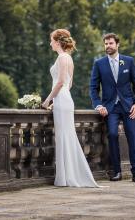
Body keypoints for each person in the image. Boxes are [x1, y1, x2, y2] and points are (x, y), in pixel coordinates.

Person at [42, 28, 100, 187]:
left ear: (57, 42)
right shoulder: (69, 58)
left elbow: (60, 82)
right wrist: (58, 99)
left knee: (63, 136)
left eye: (51, 41)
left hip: (62, 99)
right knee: (67, 135)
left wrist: (48, 100)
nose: (50, 43)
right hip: (66, 99)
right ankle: (69, 175)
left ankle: (65, 176)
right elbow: (69, 83)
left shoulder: (61, 58)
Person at [89, 33, 135, 183]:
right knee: (112, 135)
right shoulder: (99, 64)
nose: (108, 46)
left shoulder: (129, 61)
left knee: (133, 137)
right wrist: (98, 104)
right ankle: (117, 171)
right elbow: (93, 88)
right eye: (106, 44)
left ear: (117, 44)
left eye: (111, 43)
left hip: (128, 107)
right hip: (110, 107)